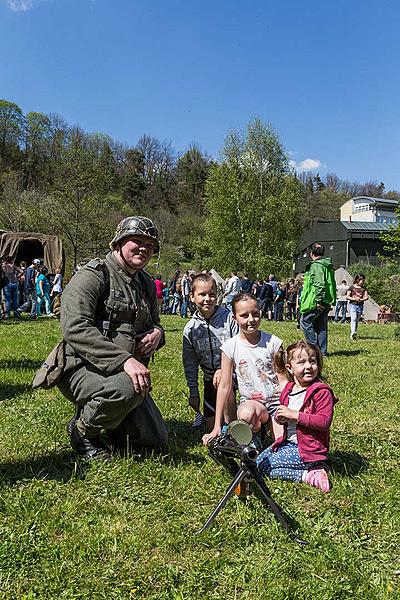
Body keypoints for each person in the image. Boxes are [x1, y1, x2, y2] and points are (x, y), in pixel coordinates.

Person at [58, 216, 168, 460]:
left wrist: (157, 334)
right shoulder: (94, 275)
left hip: (123, 373)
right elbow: (74, 326)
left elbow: (156, 323)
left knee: (155, 443)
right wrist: (124, 361)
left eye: (150, 246)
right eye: (136, 241)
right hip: (80, 367)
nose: (144, 248)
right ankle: (83, 431)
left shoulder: (147, 283)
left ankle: (110, 417)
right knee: (129, 390)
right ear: (118, 243)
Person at [202, 293, 283, 446]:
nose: (251, 320)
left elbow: (283, 378)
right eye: (244, 316)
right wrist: (217, 426)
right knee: (246, 414)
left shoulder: (273, 343)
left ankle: (273, 430)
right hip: (251, 403)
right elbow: (224, 387)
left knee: (282, 442)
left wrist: (287, 407)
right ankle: (256, 433)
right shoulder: (230, 347)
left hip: (275, 403)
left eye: (255, 314)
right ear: (234, 318)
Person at [256, 340, 336, 492]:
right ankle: (315, 468)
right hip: (289, 443)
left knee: (262, 467)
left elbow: (324, 422)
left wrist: (294, 415)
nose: (308, 366)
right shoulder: (289, 390)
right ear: (290, 368)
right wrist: (281, 418)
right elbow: (286, 417)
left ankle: (309, 474)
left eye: (312, 361)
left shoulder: (322, 392)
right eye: (301, 362)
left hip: (308, 449)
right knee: (258, 464)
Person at [183, 274, 238, 431]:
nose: (207, 299)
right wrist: (193, 392)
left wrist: (225, 370)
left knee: (228, 424)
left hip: (230, 379)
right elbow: (190, 363)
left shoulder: (229, 319)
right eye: (202, 294)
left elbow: (239, 349)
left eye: (212, 294)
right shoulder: (190, 329)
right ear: (192, 297)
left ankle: (232, 420)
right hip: (208, 381)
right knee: (211, 425)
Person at [299, 243, 336, 357]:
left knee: (305, 321)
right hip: (327, 299)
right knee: (321, 325)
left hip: (317, 300)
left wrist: (318, 300)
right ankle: (322, 352)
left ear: (311, 254)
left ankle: (313, 349)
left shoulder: (316, 265)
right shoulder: (327, 265)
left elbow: (319, 284)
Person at [346, 273, 368, 340]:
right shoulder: (351, 287)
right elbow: (347, 297)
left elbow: (366, 297)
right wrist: (354, 299)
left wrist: (361, 299)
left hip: (360, 306)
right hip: (353, 305)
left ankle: (354, 332)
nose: (363, 282)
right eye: (362, 281)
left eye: (364, 281)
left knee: (357, 320)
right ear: (357, 280)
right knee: (354, 318)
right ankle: (352, 332)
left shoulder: (364, 288)